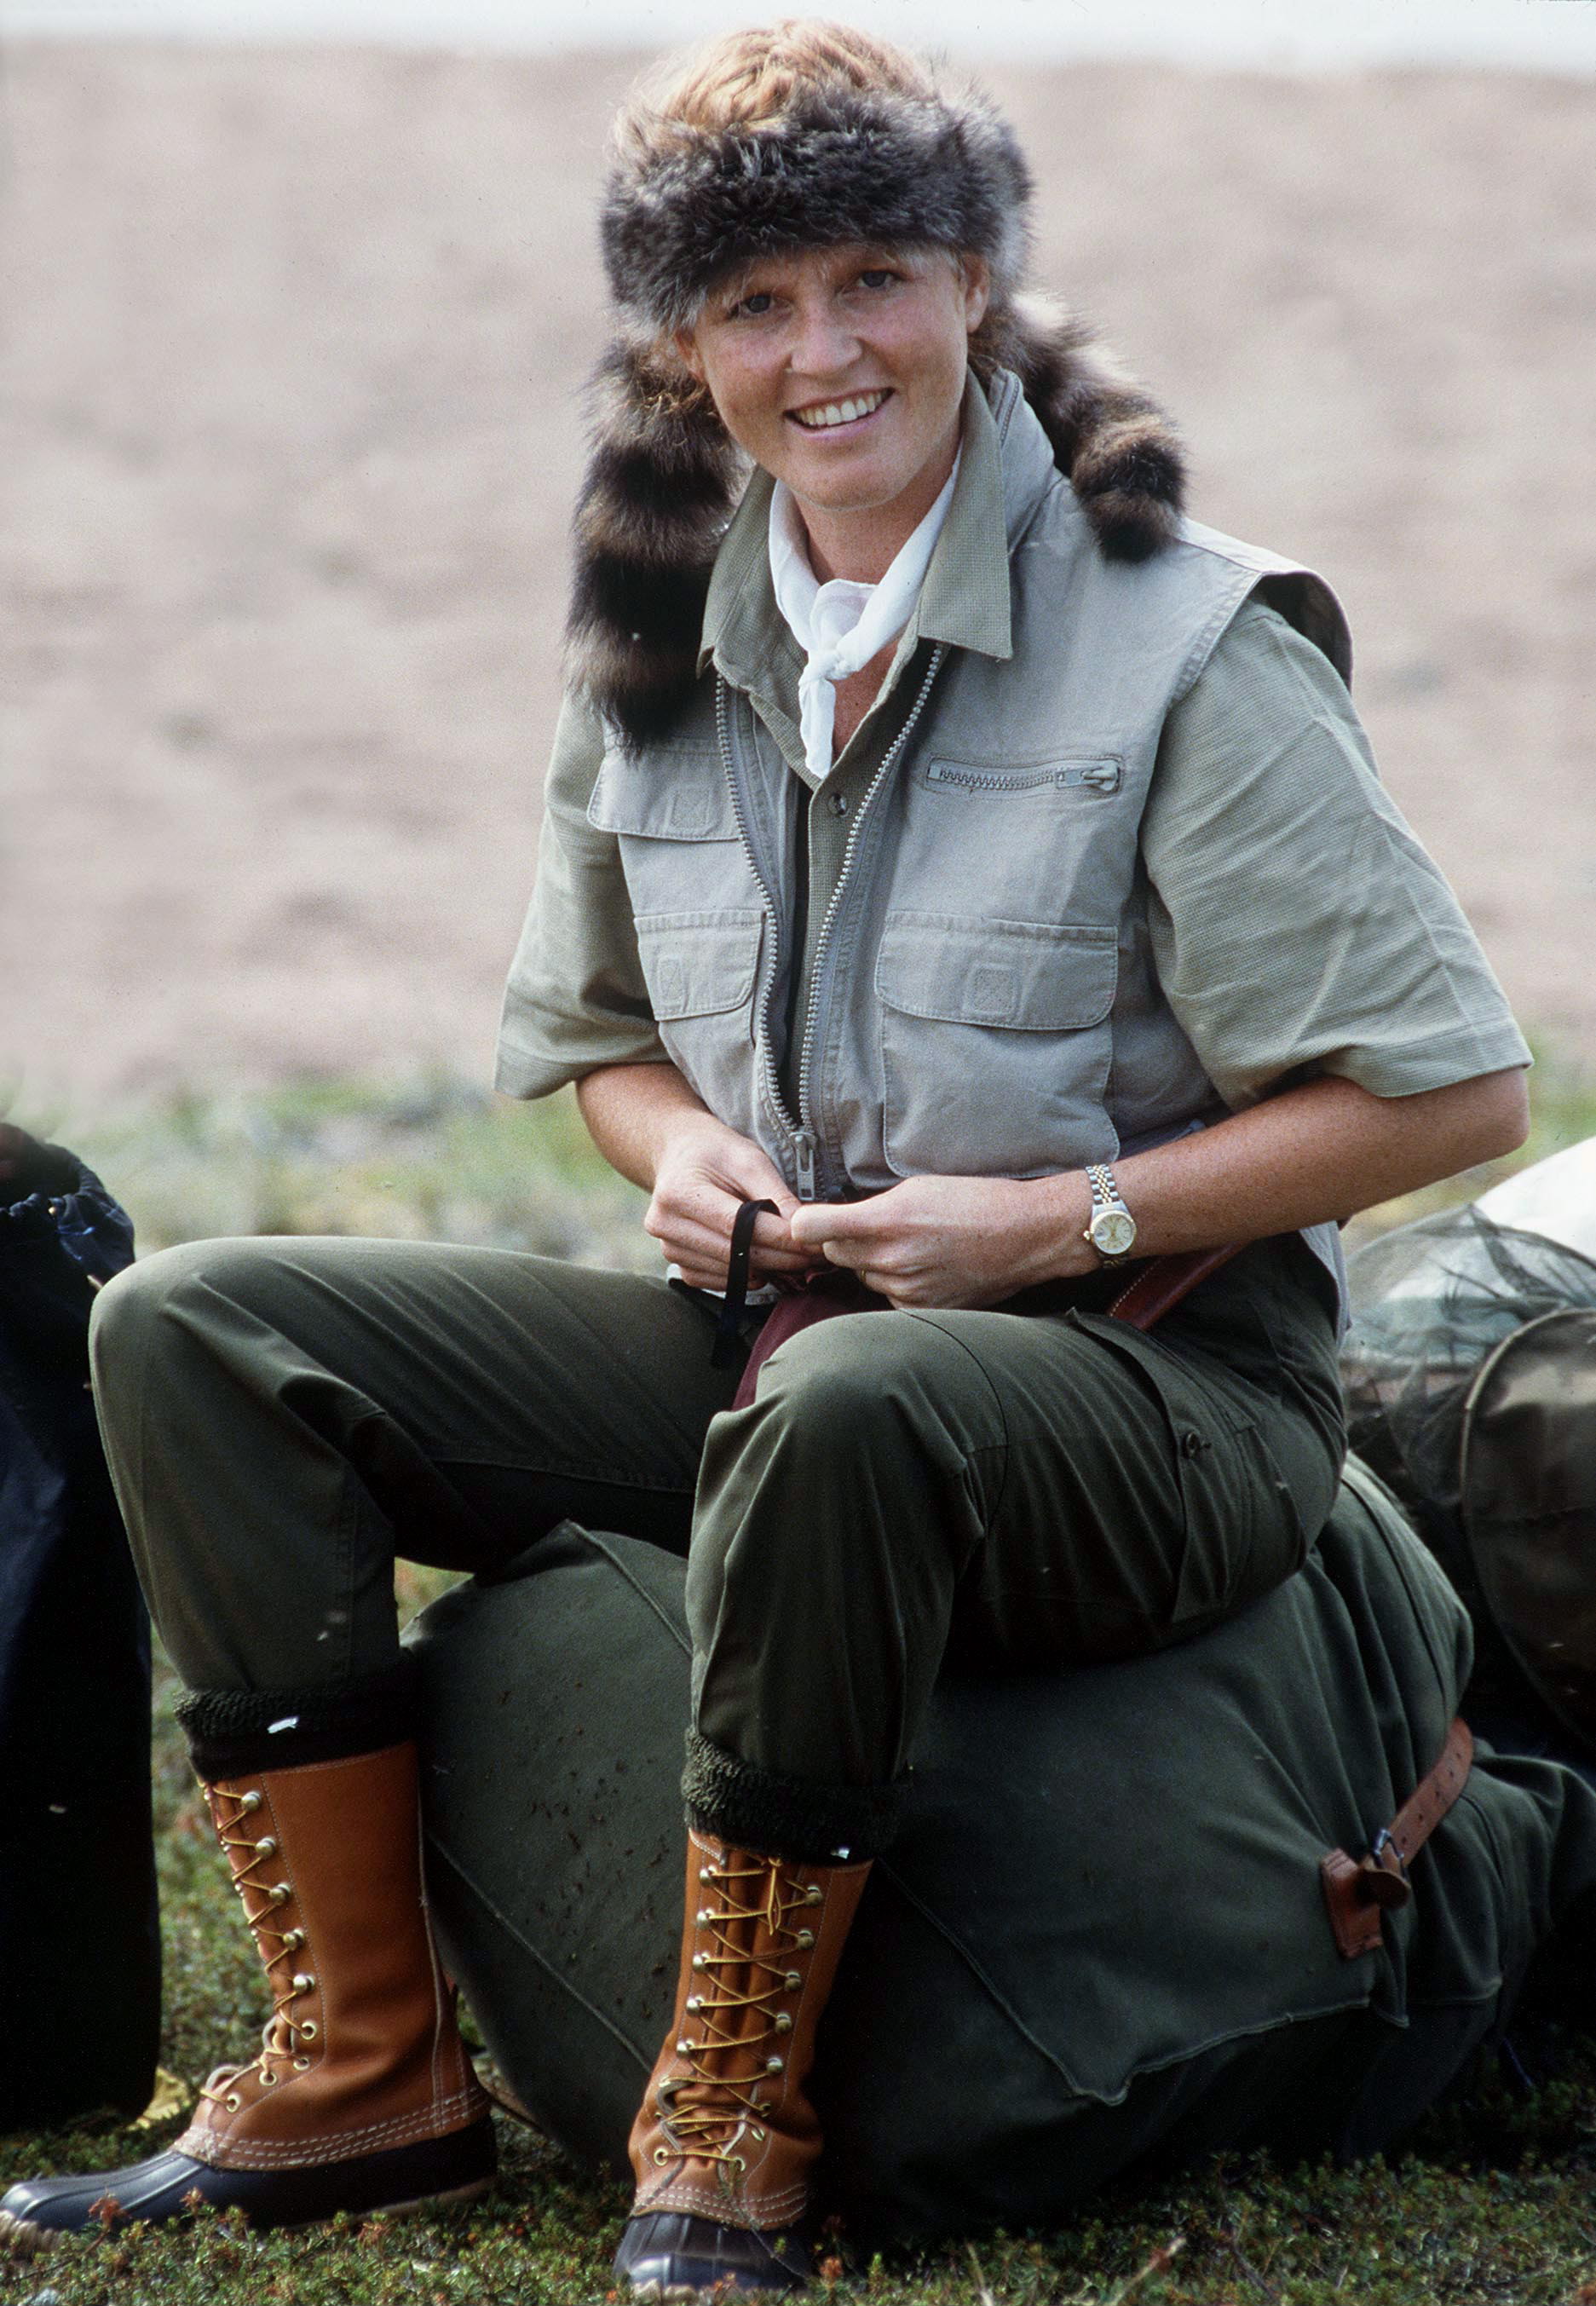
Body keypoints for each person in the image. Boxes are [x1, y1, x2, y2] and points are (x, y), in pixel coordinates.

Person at [0, 19, 1533, 2296]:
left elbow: (1452, 1091)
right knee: (197, 1324)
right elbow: (601, 1040)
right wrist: (683, 1144)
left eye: (874, 278)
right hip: (782, 1342)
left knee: (845, 1401)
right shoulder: (656, 636)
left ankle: (732, 2106)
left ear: (973, 285)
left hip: (1166, 1399)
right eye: (754, 304)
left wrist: (1058, 1216)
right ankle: (364, 2069)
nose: (824, 351)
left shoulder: (1185, 644)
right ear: (683, 342)